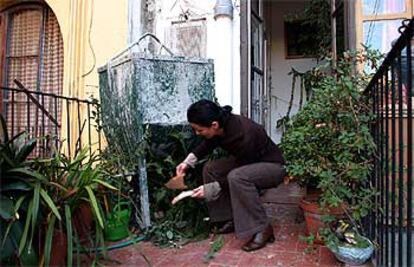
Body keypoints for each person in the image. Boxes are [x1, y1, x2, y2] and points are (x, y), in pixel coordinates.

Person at [176, 99, 286, 252]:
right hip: (248, 162)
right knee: (211, 169)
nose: (197, 133)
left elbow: (242, 169)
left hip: (273, 167)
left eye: (199, 130)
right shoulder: (222, 124)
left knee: (237, 177)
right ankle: (227, 217)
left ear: (214, 125)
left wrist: (211, 189)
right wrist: (187, 162)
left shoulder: (244, 134)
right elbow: (208, 144)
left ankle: (262, 228)